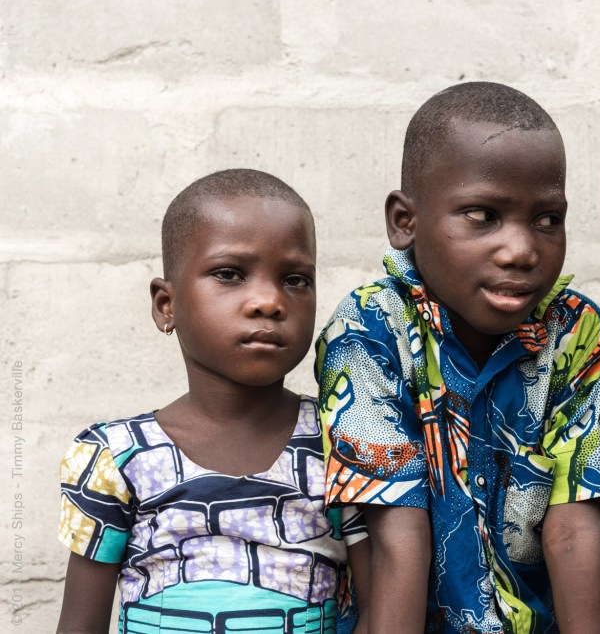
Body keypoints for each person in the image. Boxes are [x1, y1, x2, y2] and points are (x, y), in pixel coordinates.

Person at [315, 82, 600, 633]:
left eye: (547, 219)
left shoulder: (575, 333)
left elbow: (575, 525)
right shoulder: (369, 330)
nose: (521, 250)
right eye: (482, 215)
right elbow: (396, 539)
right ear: (404, 222)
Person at [56, 169, 367, 634]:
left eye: (295, 279)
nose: (269, 301)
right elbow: (80, 625)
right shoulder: (116, 458)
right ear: (166, 305)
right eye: (229, 274)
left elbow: (379, 608)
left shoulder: (343, 443)